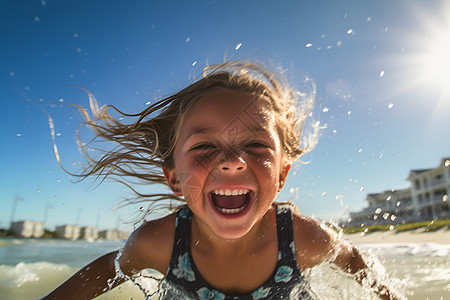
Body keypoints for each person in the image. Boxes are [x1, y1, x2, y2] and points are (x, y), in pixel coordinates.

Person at [41, 61, 400, 300]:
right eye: (206, 146)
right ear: (175, 180)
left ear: (281, 176)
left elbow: (352, 257)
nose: (231, 162)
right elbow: (110, 267)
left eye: (256, 145)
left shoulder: (302, 239)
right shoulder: (159, 242)